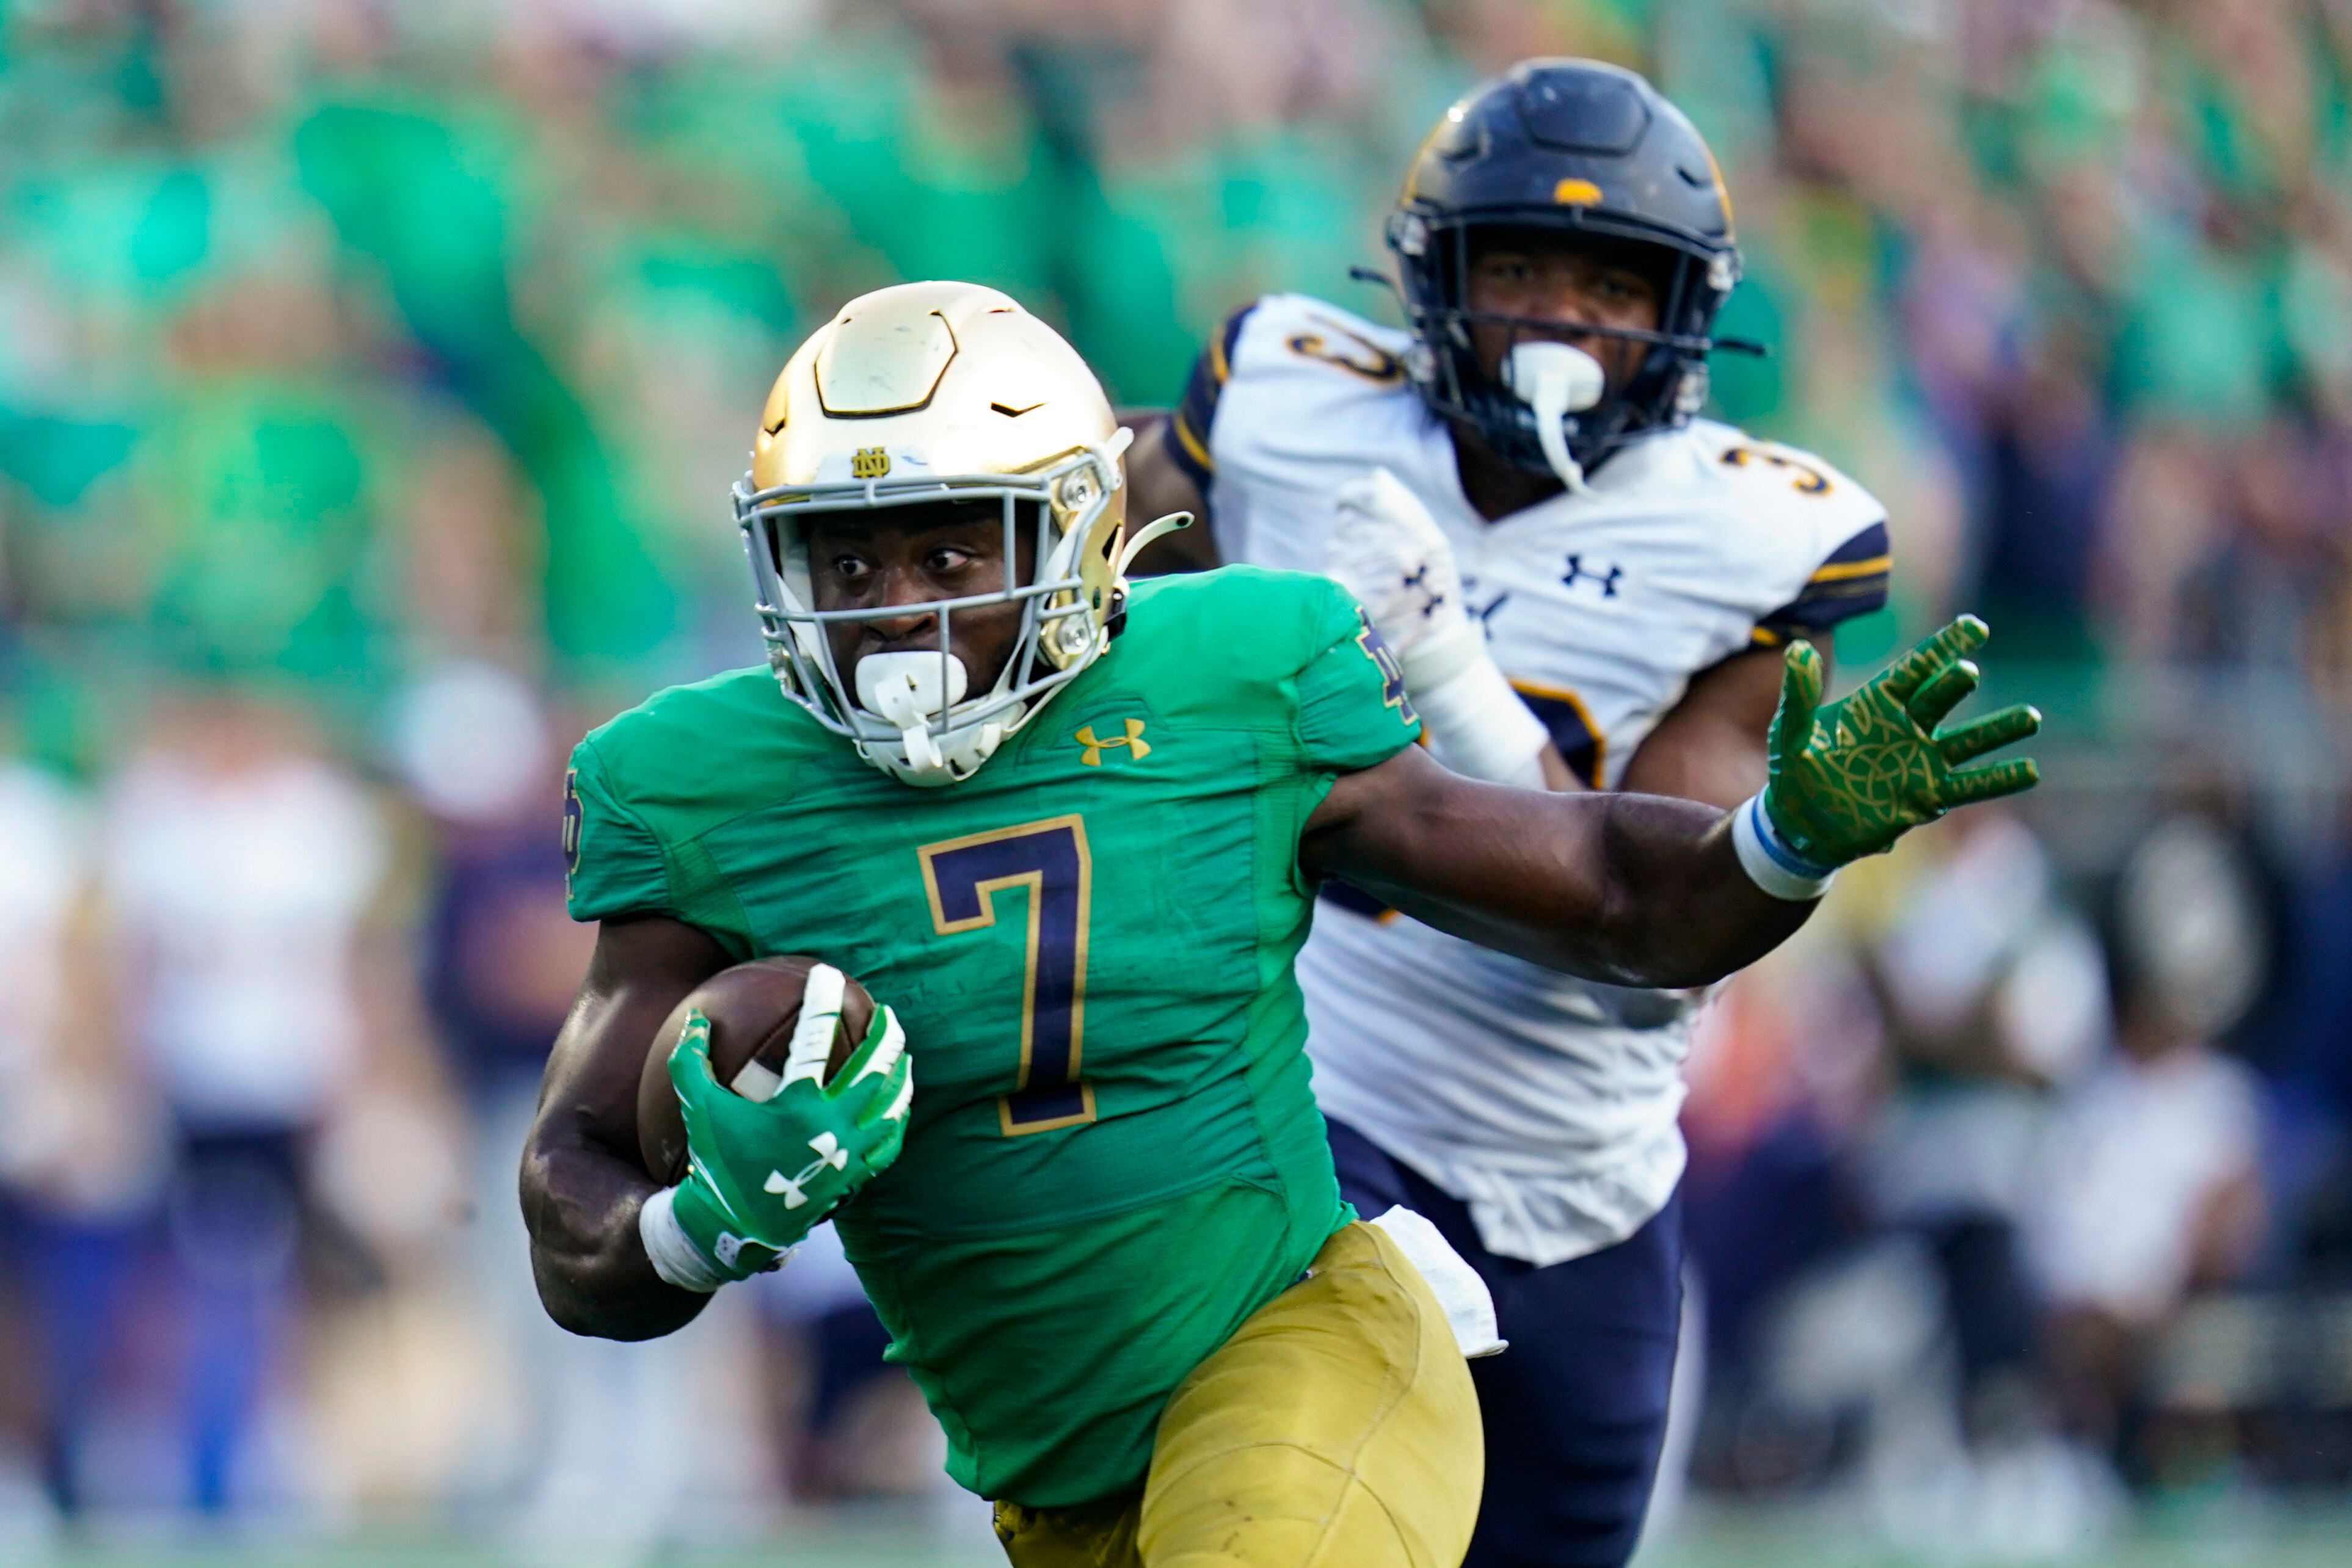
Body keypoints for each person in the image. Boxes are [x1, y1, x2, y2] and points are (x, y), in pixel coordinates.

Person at [521, 279, 2039, 1568]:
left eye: (949, 553)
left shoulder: (1232, 674)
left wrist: (1776, 842)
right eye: (847, 559)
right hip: (1053, 1483)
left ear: (1072, 534)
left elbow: (1607, 892)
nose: (895, 611)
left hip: (1301, 1347)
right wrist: (706, 1223)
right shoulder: (699, 785)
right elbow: (568, 1210)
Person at [1124, 59, 1900, 1567]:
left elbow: (1646, 947)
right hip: (1313, 1100)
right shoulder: (1286, 403)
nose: (1560, 317)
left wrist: (1449, 674)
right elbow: (1060, 579)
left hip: (1578, 1173)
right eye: (1522, 270)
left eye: (1609, 284)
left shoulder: (1754, 533)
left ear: (1681, 310)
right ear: (1439, 278)